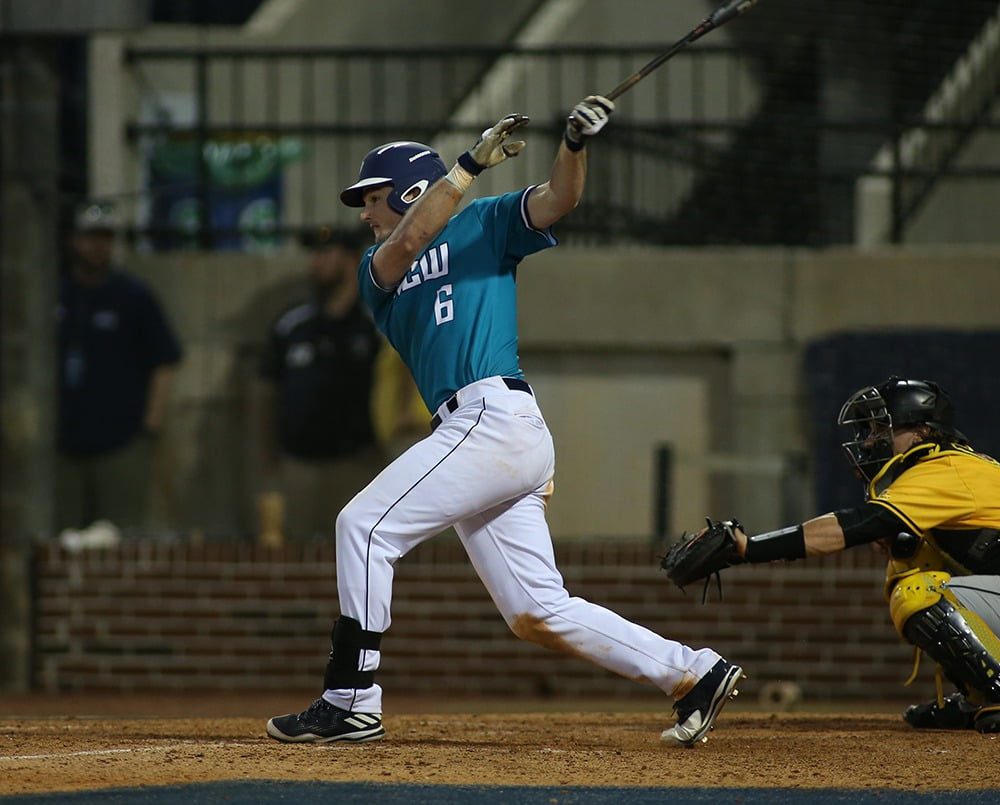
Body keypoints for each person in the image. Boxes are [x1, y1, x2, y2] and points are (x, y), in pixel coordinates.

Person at [266, 97, 743, 748]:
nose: (365, 212)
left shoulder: (485, 222)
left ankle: (352, 697)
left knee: (363, 525)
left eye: (373, 197)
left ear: (410, 189)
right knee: (533, 610)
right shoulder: (377, 271)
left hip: (493, 415)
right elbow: (410, 239)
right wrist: (467, 166)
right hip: (478, 432)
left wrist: (574, 143)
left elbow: (558, 199)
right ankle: (693, 670)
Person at [683, 377, 1000, 733]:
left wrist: (748, 548)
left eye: (882, 428)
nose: (869, 440)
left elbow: (855, 525)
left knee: (918, 591)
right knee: (913, 563)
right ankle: (978, 696)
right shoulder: (952, 468)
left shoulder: (946, 469)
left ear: (922, 432)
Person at [56, 200, 183, 537]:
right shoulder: (58, 293)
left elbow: (165, 360)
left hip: (120, 443)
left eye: (106, 237)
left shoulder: (132, 296)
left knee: (119, 536)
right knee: (63, 537)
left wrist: (149, 428)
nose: (98, 246)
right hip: (63, 444)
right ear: (73, 239)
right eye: (90, 236)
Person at [257, 226, 384, 541]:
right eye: (314, 254)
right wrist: (267, 452)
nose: (316, 263)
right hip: (299, 464)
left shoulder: (376, 324)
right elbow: (265, 391)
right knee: (295, 553)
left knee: (358, 550)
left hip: (358, 464)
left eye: (326, 254)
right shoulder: (292, 324)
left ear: (352, 259)